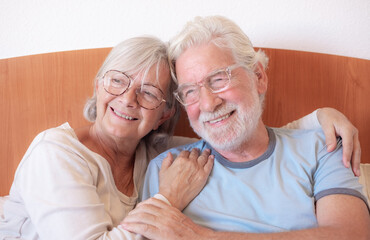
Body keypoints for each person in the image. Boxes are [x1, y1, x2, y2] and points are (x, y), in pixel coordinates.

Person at [0, 34, 362, 240]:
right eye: (116, 80)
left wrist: (319, 118)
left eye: (148, 92)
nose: (127, 98)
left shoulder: (157, 154)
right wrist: (167, 197)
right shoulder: (55, 153)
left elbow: (234, 132)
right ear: (98, 86)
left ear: (165, 114)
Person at [121, 16, 370, 239]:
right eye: (190, 91)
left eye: (218, 79)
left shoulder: (322, 147)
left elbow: (351, 235)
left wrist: (197, 236)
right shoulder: (166, 171)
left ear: (258, 77)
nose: (208, 104)